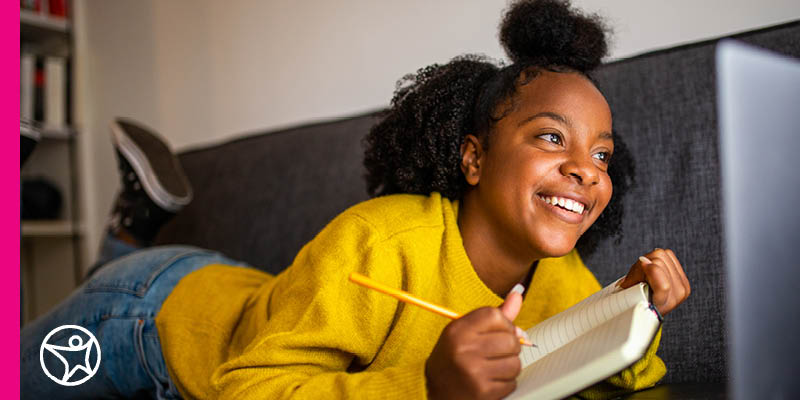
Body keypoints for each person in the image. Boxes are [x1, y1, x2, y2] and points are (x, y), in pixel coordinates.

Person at [20, 1, 691, 399]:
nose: (585, 170)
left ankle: (134, 225)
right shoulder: (378, 240)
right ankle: (132, 246)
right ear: (474, 157)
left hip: (258, 298)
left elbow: (612, 380)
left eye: (602, 154)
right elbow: (244, 388)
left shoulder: (562, 278)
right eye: (552, 137)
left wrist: (628, 307)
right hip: (152, 320)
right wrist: (423, 388)